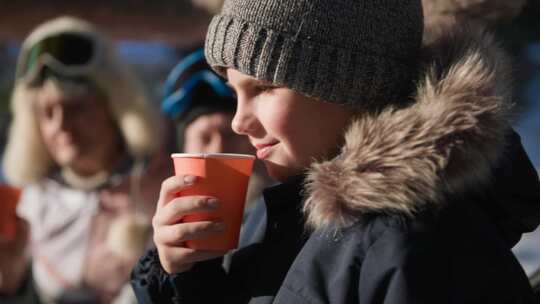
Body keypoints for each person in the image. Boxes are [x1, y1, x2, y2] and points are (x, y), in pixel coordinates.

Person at [131, 0, 540, 303]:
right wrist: (187, 274)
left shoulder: (418, 245)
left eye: (263, 88)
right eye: (234, 92)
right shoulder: (286, 210)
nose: (239, 122)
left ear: (352, 85)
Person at [0, 16, 169, 303]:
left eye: (76, 108)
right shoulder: (28, 204)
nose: (61, 125)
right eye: (47, 113)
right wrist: (11, 284)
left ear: (115, 107)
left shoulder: (164, 185)